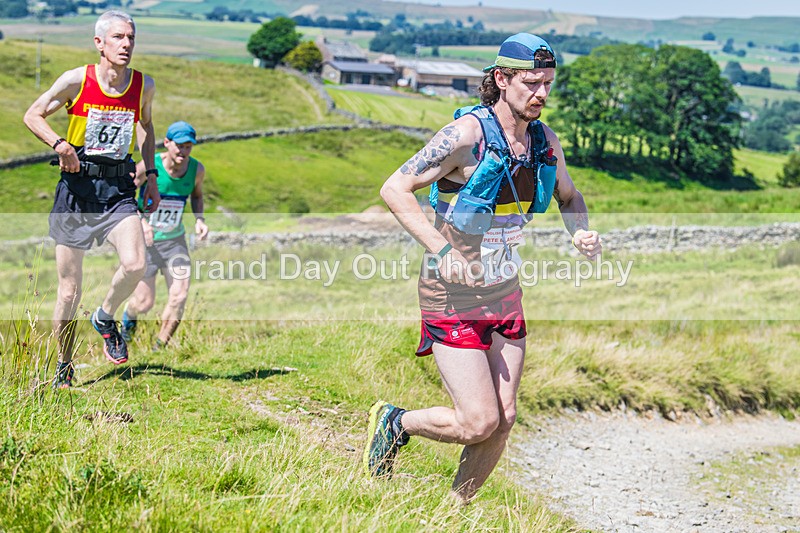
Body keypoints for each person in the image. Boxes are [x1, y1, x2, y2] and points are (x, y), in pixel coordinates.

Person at [364, 33, 602, 502]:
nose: (542, 94)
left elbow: (570, 197)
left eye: (548, 84)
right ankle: (397, 422)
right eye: (532, 83)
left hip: (504, 289)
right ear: (501, 78)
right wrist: (440, 248)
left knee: (505, 416)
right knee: (478, 421)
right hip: (451, 292)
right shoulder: (466, 137)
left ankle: (455, 513)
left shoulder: (544, 142)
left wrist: (579, 231)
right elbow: (394, 188)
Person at [23, 10, 160, 389]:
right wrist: (60, 143)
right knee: (68, 291)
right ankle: (63, 365)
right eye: (118, 37)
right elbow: (32, 115)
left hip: (118, 190)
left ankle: (104, 315)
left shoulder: (143, 85)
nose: (127, 44)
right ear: (99, 42)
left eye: (131, 38)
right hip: (77, 192)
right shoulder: (76, 80)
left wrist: (150, 174)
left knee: (135, 264)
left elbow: (146, 125)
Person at [120, 121, 208, 349]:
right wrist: (140, 222)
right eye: (179, 146)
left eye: (189, 146)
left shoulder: (196, 170)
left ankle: (160, 347)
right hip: (146, 242)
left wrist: (199, 219)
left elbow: (197, 196)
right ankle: (127, 322)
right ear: (167, 143)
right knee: (144, 302)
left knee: (179, 295)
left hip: (174, 241)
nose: (183, 151)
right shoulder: (149, 166)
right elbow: (125, 194)